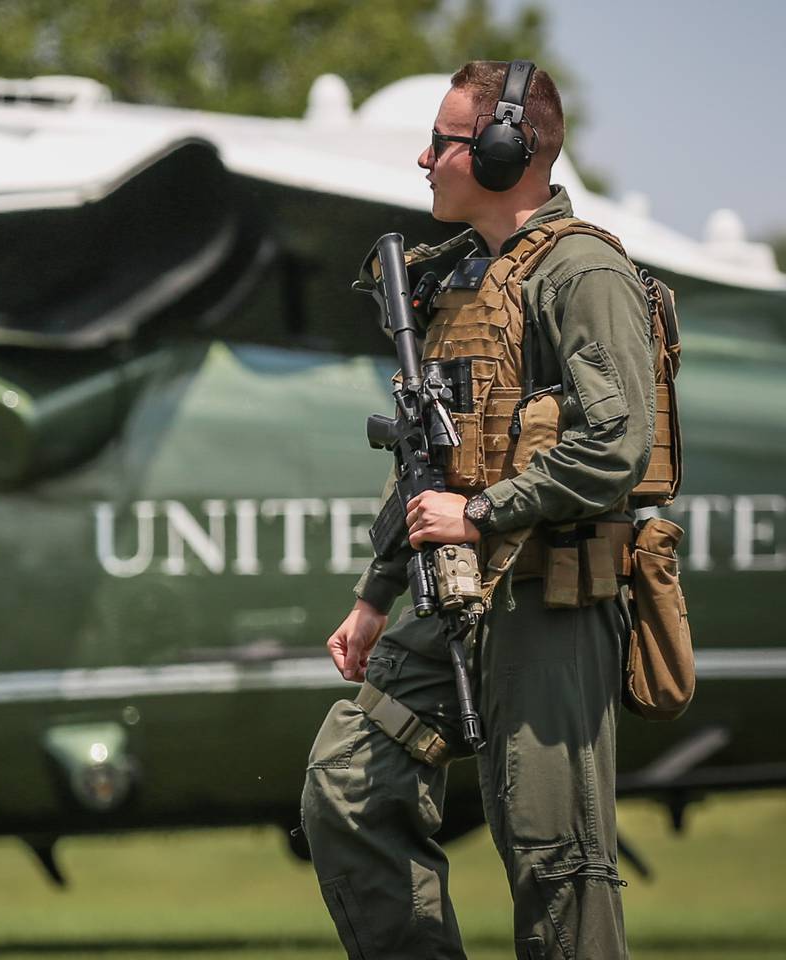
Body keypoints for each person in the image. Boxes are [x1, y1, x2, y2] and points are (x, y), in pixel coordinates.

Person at [301, 60, 658, 960]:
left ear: (506, 151)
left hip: (551, 598)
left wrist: (485, 513)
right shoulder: (460, 281)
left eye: (446, 141)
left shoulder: (585, 275)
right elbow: (430, 453)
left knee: (554, 856)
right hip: (451, 590)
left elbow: (618, 446)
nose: (426, 158)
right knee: (349, 782)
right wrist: (376, 595)